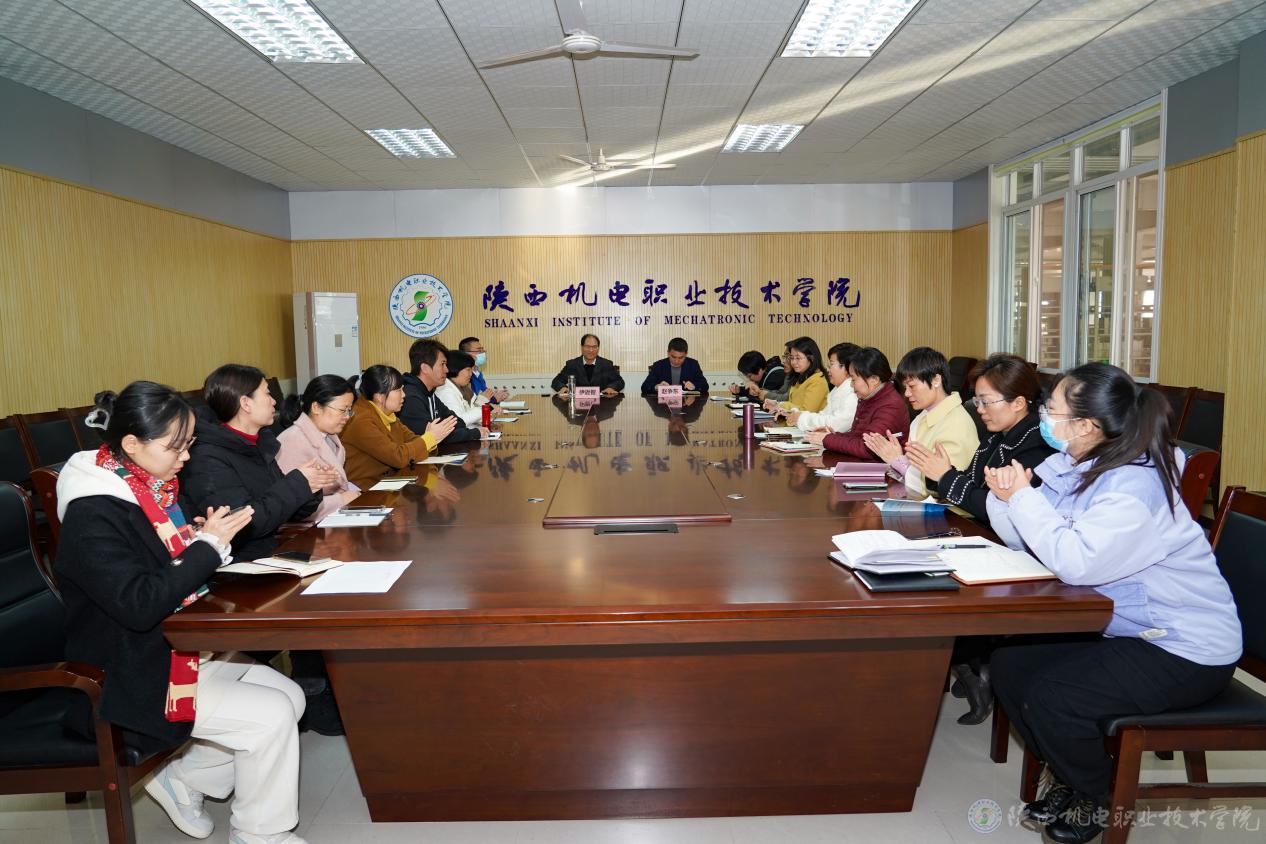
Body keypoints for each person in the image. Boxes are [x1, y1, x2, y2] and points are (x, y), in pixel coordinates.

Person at [986, 363, 1241, 844]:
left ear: (1085, 425)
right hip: (1128, 627)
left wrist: (1023, 499)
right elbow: (1034, 540)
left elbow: (1075, 563)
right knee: (1010, 666)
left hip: (1185, 646)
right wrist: (1007, 498)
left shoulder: (1134, 487)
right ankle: (1070, 775)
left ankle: (1100, 794)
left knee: (1055, 696)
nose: (1043, 416)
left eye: (1050, 409)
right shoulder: (1083, 465)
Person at [55, 382, 308, 844]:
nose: (186, 457)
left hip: (174, 643)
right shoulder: (92, 512)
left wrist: (195, 538)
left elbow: (161, 563)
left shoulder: (152, 487)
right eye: (175, 447)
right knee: (270, 715)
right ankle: (260, 834)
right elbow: (139, 604)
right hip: (127, 669)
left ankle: (186, 779)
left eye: (189, 443)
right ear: (132, 444)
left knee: (291, 696)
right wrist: (205, 548)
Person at [182, 364, 331, 561]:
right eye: (267, 394)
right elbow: (245, 524)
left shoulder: (258, 443)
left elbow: (286, 511)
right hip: (237, 563)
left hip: (268, 553)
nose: (274, 401)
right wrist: (298, 483)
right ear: (246, 403)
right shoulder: (207, 457)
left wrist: (311, 485)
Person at [860, 346, 978, 496]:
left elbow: (942, 488)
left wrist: (899, 462)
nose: (907, 393)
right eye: (905, 387)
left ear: (936, 380)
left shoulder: (957, 424)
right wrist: (900, 458)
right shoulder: (924, 415)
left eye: (912, 386)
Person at [342, 364, 456, 490]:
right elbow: (398, 457)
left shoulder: (388, 414)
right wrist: (429, 438)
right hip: (364, 492)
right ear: (379, 396)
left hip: (389, 485)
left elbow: (413, 441)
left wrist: (431, 438)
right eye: (398, 390)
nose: (404, 395)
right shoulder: (361, 420)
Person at [275, 375, 362, 522]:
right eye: (342, 410)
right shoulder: (291, 442)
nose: (347, 417)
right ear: (316, 407)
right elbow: (290, 503)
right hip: (306, 527)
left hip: (330, 518)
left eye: (349, 410)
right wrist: (340, 500)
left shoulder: (329, 437)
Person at [805, 347, 909, 457]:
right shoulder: (869, 397)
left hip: (882, 466)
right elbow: (857, 437)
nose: (851, 384)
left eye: (853, 379)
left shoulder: (890, 405)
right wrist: (832, 435)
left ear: (874, 380)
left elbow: (867, 448)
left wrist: (828, 439)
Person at [400, 339, 488, 443]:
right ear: (425, 368)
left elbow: (454, 421)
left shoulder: (429, 393)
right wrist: (475, 433)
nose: (447, 370)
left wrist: (475, 430)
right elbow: (435, 436)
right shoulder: (411, 398)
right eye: (442, 364)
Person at [786, 342, 859, 433]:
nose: (828, 369)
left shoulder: (853, 393)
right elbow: (823, 415)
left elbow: (835, 425)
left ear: (847, 368)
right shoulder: (837, 390)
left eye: (831, 364)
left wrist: (801, 417)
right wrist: (798, 415)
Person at [764, 336, 827, 414]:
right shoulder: (800, 377)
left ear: (811, 358)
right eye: (792, 358)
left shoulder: (817, 380)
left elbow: (806, 413)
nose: (793, 362)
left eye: (798, 358)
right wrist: (777, 405)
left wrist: (781, 405)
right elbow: (794, 405)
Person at [551, 334, 624, 397]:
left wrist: (611, 388)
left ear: (598, 348)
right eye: (587, 346)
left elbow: (619, 381)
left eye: (594, 347)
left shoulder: (606, 364)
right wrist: (563, 388)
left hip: (602, 405)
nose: (591, 350)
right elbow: (556, 381)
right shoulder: (572, 365)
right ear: (582, 347)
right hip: (578, 406)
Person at [640, 337, 709, 394]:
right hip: (664, 405)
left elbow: (705, 386)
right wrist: (657, 387)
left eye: (681, 358)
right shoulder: (658, 365)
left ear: (686, 354)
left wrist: (694, 386)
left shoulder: (693, 364)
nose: (677, 361)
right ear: (668, 353)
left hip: (686, 404)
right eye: (673, 357)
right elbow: (644, 387)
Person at [435, 350, 484, 427]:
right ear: (456, 368)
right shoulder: (446, 391)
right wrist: (482, 410)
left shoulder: (463, 389)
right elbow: (458, 421)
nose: (471, 374)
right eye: (468, 370)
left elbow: (470, 414)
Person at [457, 336, 509, 404]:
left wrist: (494, 396)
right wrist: (494, 400)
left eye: (483, 350)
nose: (483, 353)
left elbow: (484, 396)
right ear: (466, 354)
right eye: (479, 350)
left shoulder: (478, 374)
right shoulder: (465, 377)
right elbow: (472, 402)